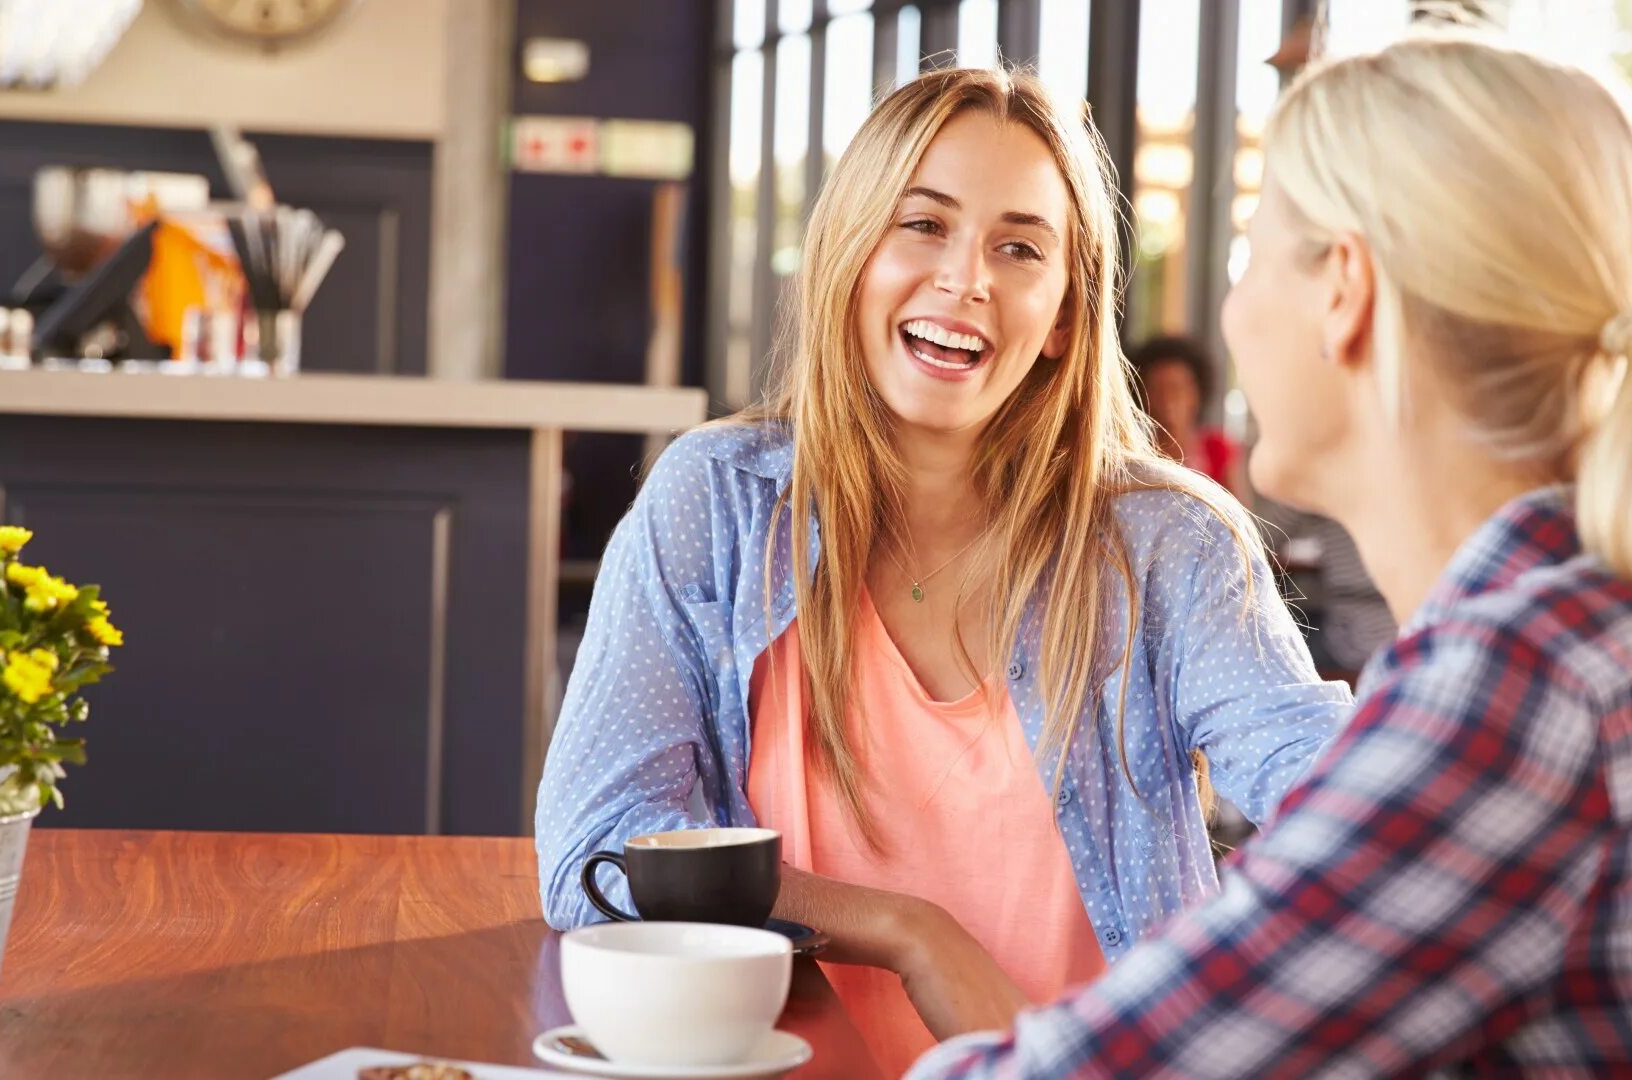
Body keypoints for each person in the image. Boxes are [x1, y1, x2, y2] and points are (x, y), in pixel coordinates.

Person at [910, 36, 1632, 1078]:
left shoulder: (1524, 688)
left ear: (1345, 288)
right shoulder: (1597, 623)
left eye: (1249, 252)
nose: (1229, 310)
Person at [535, 67, 1351, 1075]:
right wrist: (908, 931)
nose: (966, 280)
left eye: (1018, 248)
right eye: (924, 225)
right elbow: (602, 855)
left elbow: (1343, 798)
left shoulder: (1166, 543)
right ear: (852, 253)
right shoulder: (718, 504)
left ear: (1062, 315)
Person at [1128, 335, 1246, 500]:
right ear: (1141, 394)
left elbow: (1238, 517)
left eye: (1177, 389)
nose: (1168, 399)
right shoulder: (1132, 453)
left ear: (1196, 393)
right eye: (1157, 389)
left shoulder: (1217, 450)